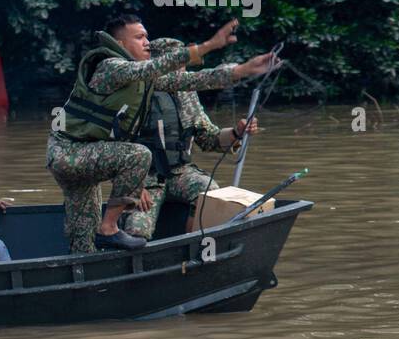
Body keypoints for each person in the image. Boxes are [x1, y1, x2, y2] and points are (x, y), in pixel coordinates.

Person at [47, 14, 277, 254]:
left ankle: (86, 273)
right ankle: (110, 230)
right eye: (140, 37)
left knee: (83, 239)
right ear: (121, 45)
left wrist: (241, 70)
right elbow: (151, 70)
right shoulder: (111, 67)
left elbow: (196, 81)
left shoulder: (148, 84)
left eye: (147, 36)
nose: (147, 42)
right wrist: (208, 46)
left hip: (87, 158)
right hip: (72, 154)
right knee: (137, 160)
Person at [123, 37, 260, 241]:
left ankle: (191, 246)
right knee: (137, 229)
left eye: (182, 64)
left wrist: (236, 132)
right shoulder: (135, 94)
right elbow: (118, 147)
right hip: (145, 179)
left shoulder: (188, 94)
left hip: (181, 173)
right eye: (175, 64)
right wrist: (134, 185)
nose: (181, 71)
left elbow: (207, 138)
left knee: (210, 192)